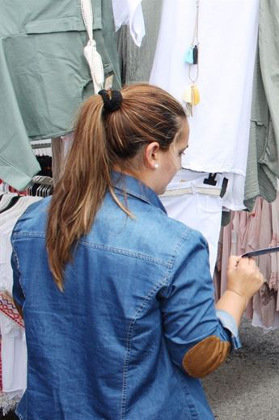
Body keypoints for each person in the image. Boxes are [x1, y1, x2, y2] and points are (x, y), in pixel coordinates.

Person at [10, 84, 264, 419]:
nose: (178, 164)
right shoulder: (175, 245)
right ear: (153, 153)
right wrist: (236, 293)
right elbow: (199, 355)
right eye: (180, 152)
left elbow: (29, 307)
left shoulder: (32, 221)